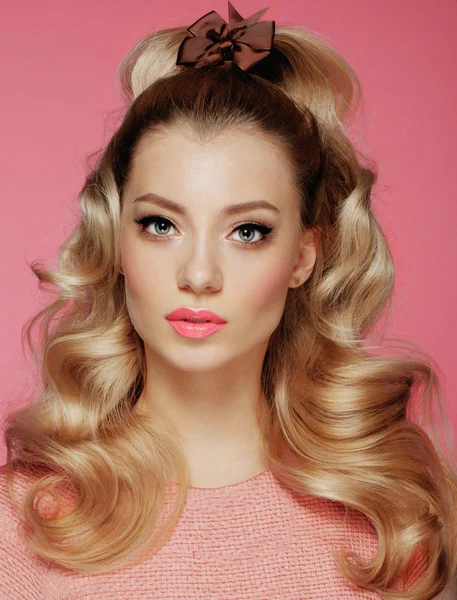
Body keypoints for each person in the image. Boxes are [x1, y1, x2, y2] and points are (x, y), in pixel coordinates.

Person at [1, 2, 456, 598]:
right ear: (116, 239)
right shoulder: (20, 522)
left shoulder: (395, 519)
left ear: (303, 256)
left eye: (248, 231)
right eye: (161, 225)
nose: (198, 273)